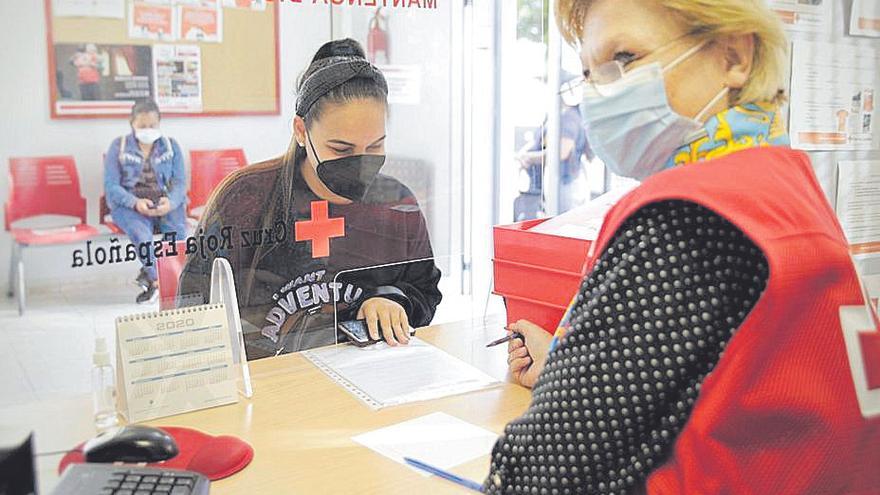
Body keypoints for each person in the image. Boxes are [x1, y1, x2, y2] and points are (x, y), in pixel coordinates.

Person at [486, 0, 879, 493]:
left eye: (625, 59)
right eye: (589, 74)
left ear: (733, 57)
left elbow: (549, 469)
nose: (600, 93)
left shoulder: (688, 216)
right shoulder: (782, 182)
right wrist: (569, 369)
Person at [177, 39, 442, 359]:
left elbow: (425, 291)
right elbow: (195, 305)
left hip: (369, 378)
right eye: (341, 149)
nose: (360, 163)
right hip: (272, 384)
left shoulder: (396, 205)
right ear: (301, 131)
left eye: (375, 147)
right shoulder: (245, 198)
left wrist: (393, 300)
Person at [104, 99, 187, 304]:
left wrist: (171, 202)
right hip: (129, 204)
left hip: (164, 201)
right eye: (142, 126)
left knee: (176, 230)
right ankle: (157, 280)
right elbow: (111, 186)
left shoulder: (171, 146)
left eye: (152, 125)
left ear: (159, 123)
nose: (148, 130)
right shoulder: (119, 146)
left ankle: (175, 279)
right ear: (132, 123)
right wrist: (135, 202)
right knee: (141, 234)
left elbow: (180, 182)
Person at [514, 75, 591, 220]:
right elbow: (540, 140)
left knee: (565, 227)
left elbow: (560, 153)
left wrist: (529, 157)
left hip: (566, 184)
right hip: (560, 183)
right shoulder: (555, 117)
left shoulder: (569, 118)